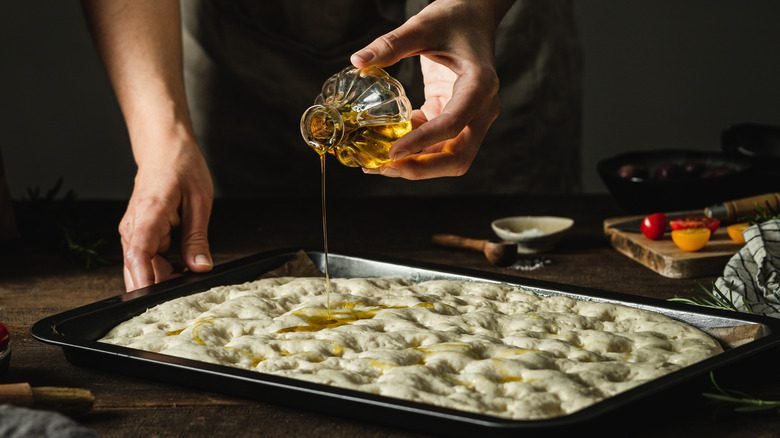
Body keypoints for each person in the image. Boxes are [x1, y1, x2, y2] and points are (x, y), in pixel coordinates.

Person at [81, 0, 581, 291]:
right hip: (252, 49)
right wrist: (161, 135)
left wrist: (477, 8)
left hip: (486, 32)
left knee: (524, 274)